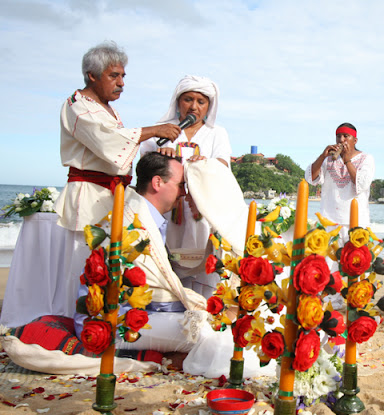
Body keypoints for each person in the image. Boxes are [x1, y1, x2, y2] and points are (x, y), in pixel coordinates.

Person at [75, 153, 270, 377]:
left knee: (217, 324)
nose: (184, 194)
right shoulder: (134, 223)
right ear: (158, 183)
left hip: (138, 314)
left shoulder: (146, 214)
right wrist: (202, 311)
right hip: (109, 325)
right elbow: (156, 297)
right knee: (209, 332)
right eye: (182, 185)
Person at [39, 41, 182, 322]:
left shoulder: (107, 109)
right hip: (88, 196)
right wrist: (155, 130)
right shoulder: (77, 106)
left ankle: (105, 323)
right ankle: (78, 324)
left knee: (109, 263)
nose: (121, 83)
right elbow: (109, 143)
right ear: (92, 75)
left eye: (123, 76)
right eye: (113, 76)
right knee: (85, 266)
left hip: (111, 194)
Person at [140, 75, 232, 299]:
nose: (194, 106)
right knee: (165, 267)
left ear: (209, 106)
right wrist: (161, 156)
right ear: (177, 102)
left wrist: (204, 164)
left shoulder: (216, 133)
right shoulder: (163, 130)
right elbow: (145, 163)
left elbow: (223, 166)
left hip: (201, 213)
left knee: (205, 274)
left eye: (201, 102)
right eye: (188, 99)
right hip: (168, 213)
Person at [305, 123, 375, 241]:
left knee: (353, 258)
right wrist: (322, 156)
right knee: (329, 258)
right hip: (329, 221)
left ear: (355, 140)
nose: (341, 140)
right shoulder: (328, 159)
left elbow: (361, 184)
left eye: (346, 136)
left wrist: (346, 159)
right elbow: (311, 179)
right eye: (338, 136)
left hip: (357, 222)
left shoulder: (366, 158)